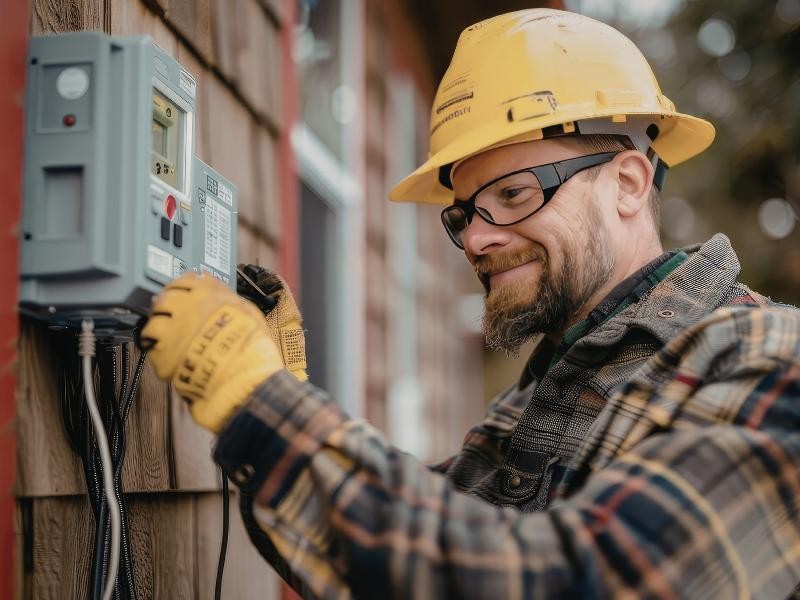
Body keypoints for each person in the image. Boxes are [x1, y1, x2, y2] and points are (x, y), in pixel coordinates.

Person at [140, 8, 800, 599]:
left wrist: (267, 410)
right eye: (464, 214)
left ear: (628, 183)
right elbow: (411, 550)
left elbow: (569, 581)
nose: (477, 239)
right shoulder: (538, 400)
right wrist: (276, 397)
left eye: (514, 195)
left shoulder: (768, 364)